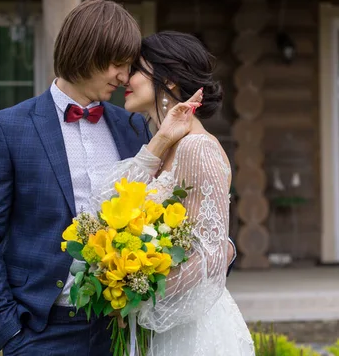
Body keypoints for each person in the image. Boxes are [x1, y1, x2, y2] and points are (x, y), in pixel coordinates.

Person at [0, 0, 233, 356]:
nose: (124, 77)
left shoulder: (136, 127)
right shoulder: (8, 128)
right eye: (117, 65)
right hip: (41, 331)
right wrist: (7, 332)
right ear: (86, 53)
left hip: (124, 330)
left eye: (130, 66)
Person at [93, 30, 255, 355]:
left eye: (136, 69)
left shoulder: (198, 148)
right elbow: (107, 202)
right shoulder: (167, 147)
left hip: (193, 331)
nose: (125, 77)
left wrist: (138, 295)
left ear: (168, 80)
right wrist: (160, 141)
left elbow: (210, 256)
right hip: (163, 325)